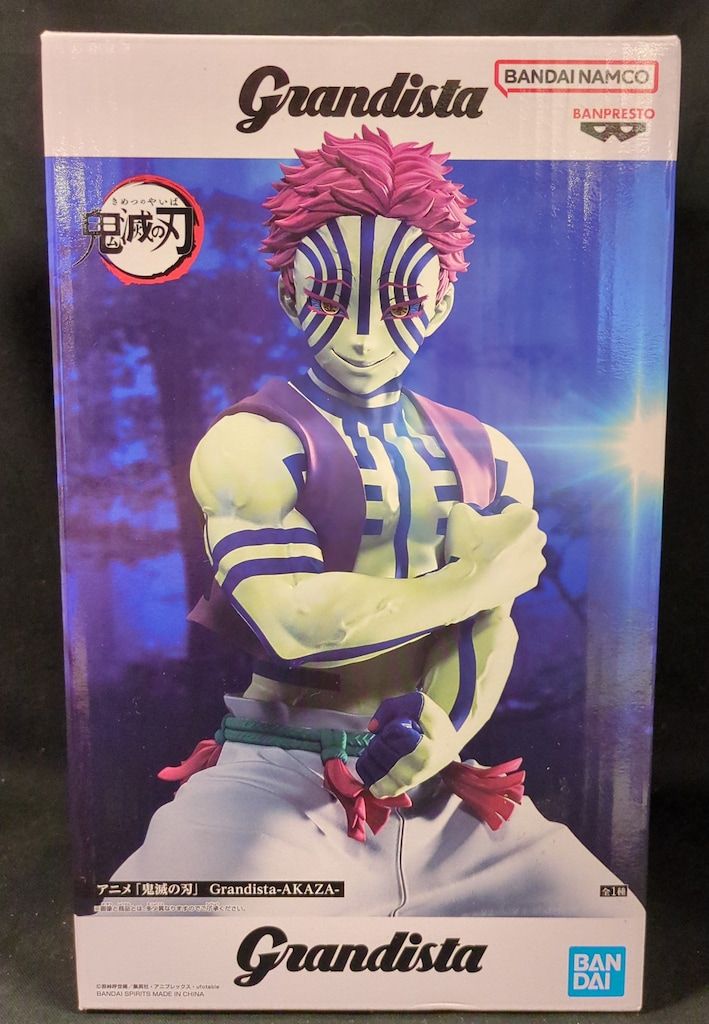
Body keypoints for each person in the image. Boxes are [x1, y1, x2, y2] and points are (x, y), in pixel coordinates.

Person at [114, 128, 638, 917]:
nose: (363, 334)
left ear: (441, 301)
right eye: (332, 297)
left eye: (398, 301)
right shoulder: (254, 442)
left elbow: (488, 630)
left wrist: (446, 729)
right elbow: (294, 623)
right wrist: (477, 578)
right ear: (290, 294)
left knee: (600, 921)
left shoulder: (486, 454)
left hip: (434, 787)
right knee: (167, 934)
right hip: (275, 777)